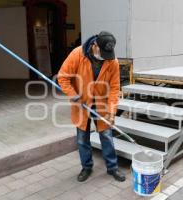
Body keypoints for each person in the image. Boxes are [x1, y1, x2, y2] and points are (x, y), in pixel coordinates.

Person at [57, 31, 125, 182]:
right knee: (82, 139)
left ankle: (112, 167)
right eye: (104, 52)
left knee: (107, 136)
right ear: (95, 46)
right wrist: (73, 95)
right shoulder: (77, 54)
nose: (106, 56)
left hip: (102, 105)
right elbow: (63, 77)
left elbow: (114, 88)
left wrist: (112, 112)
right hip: (82, 104)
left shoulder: (112, 61)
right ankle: (86, 167)